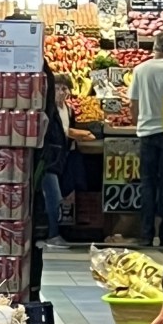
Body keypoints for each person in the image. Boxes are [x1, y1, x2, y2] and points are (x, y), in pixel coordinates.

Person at [40, 73, 94, 250]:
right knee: (53, 198)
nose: (61, 92)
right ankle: (52, 235)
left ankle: (56, 233)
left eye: (64, 88)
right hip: (48, 160)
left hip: (63, 160)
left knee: (61, 197)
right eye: (57, 88)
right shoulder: (47, 109)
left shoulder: (69, 110)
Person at [129, 30, 163, 246]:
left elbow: (133, 104)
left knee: (147, 184)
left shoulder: (141, 70)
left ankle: (146, 233)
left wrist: (138, 123)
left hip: (147, 133)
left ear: (155, 47)